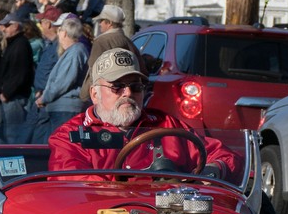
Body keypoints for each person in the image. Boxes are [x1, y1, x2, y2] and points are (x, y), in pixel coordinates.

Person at [49, 48, 239, 180]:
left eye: (136, 87)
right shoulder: (70, 135)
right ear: (94, 94)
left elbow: (223, 156)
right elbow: (70, 180)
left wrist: (212, 170)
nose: (128, 93)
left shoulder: (167, 125)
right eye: (117, 87)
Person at [34, 16, 88, 142]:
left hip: (66, 109)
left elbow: (63, 82)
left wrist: (45, 97)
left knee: (63, 145)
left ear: (64, 33)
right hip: (61, 108)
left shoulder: (76, 51)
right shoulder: (73, 51)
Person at [79, 4, 145, 102]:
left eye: (101, 21)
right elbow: (142, 69)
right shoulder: (127, 40)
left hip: (108, 96)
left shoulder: (101, 41)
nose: (100, 24)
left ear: (109, 22)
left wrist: (84, 96)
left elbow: (94, 72)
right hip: (128, 94)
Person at [0, 11, 35, 143]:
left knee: (14, 136)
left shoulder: (21, 44)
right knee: (3, 135)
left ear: (16, 26)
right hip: (9, 98)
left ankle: (15, 163)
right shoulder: (12, 44)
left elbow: (20, 73)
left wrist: (7, 93)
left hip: (14, 98)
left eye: (6, 26)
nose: (3, 29)